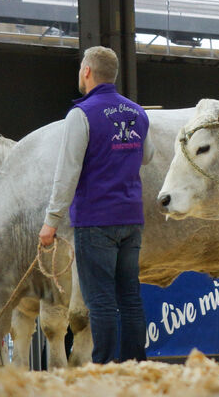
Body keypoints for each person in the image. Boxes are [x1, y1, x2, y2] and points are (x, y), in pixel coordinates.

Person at [40, 46, 153, 364]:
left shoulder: (81, 114)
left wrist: (51, 222)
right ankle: (135, 366)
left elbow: (68, 172)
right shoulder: (137, 112)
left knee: (101, 300)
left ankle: (103, 367)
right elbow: (148, 156)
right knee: (130, 297)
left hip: (95, 220)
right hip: (131, 218)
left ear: (87, 71)